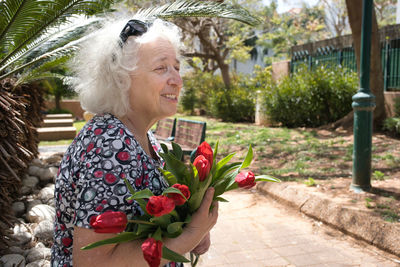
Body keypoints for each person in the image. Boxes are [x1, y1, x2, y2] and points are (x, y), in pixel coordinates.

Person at [51, 17, 218, 267]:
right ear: (121, 79)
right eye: (161, 68)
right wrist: (189, 236)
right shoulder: (109, 146)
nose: (177, 80)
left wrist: (189, 232)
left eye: (177, 67)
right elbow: (92, 262)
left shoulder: (140, 136)